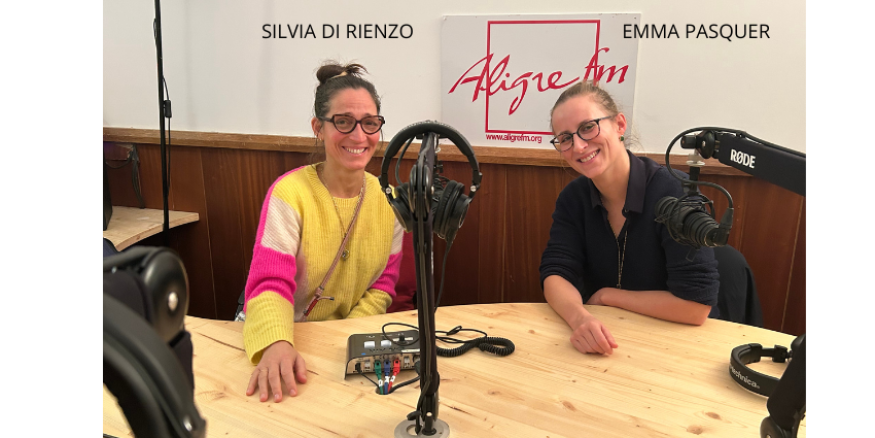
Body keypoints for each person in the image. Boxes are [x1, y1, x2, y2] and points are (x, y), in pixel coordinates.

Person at [242, 62, 404, 402]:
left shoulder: (389, 200)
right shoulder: (289, 193)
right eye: (343, 122)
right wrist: (276, 342)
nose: (359, 136)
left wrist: (346, 339)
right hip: (279, 336)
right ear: (319, 127)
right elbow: (270, 283)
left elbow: (382, 286)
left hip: (342, 348)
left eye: (369, 123)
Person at [539, 81, 719, 357]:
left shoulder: (675, 193)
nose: (579, 145)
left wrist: (608, 296)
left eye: (588, 127)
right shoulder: (572, 198)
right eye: (565, 138)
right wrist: (580, 318)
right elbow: (556, 273)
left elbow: (696, 307)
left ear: (619, 125)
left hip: (678, 344)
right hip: (609, 340)